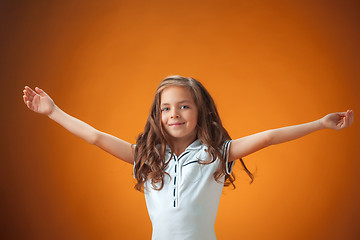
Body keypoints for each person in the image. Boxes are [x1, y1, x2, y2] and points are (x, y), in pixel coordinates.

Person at [23, 75, 354, 240]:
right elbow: (95, 137)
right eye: (166, 108)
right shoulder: (147, 157)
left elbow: (268, 137)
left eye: (184, 105)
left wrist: (320, 124)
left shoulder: (217, 154)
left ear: (200, 111)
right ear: (158, 115)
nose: (174, 114)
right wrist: (53, 112)